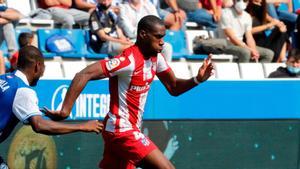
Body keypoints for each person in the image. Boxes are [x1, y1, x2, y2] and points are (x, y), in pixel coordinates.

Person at [43, 15, 213, 169]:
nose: (162, 42)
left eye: (163, 37)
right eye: (158, 37)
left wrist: (197, 79)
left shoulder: (156, 58)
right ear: (143, 34)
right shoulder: (128, 60)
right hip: (121, 130)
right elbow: (84, 74)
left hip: (125, 130)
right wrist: (65, 110)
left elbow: (174, 87)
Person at [0, 46, 103, 168]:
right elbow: (39, 126)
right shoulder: (23, 90)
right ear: (38, 66)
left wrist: (48, 117)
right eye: (44, 67)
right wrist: (83, 126)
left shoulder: (4, 79)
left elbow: (19, 111)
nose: (43, 72)